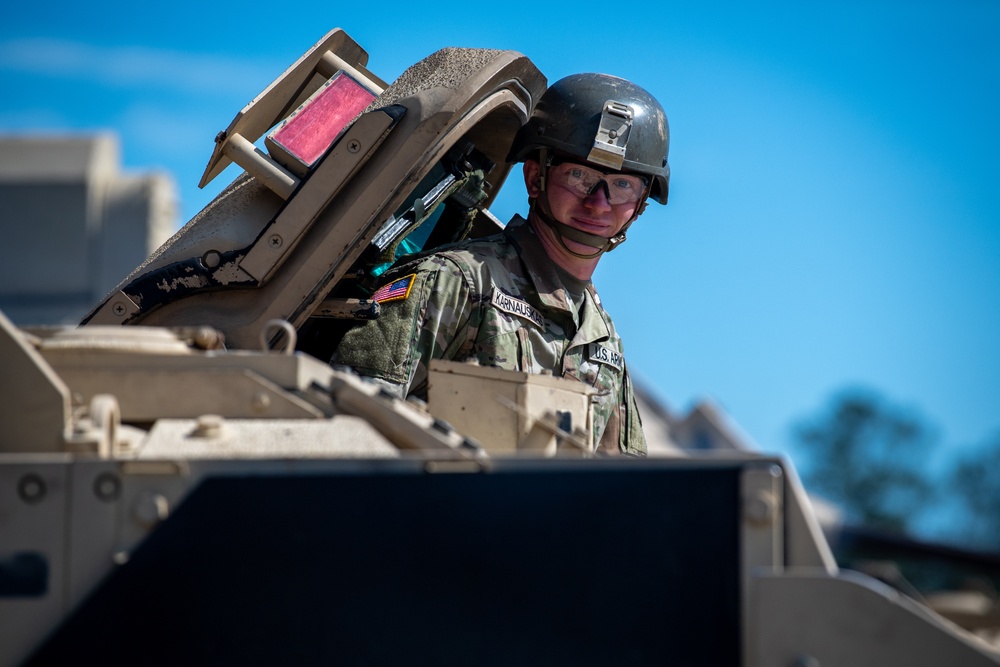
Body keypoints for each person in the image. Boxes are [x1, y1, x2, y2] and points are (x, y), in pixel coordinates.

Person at [334, 73, 670, 456]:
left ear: (641, 204)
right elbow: (352, 425)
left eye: (623, 185)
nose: (598, 203)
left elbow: (623, 485)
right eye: (580, 176)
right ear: (534, 177)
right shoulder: (454, 281)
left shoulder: (602, 340)